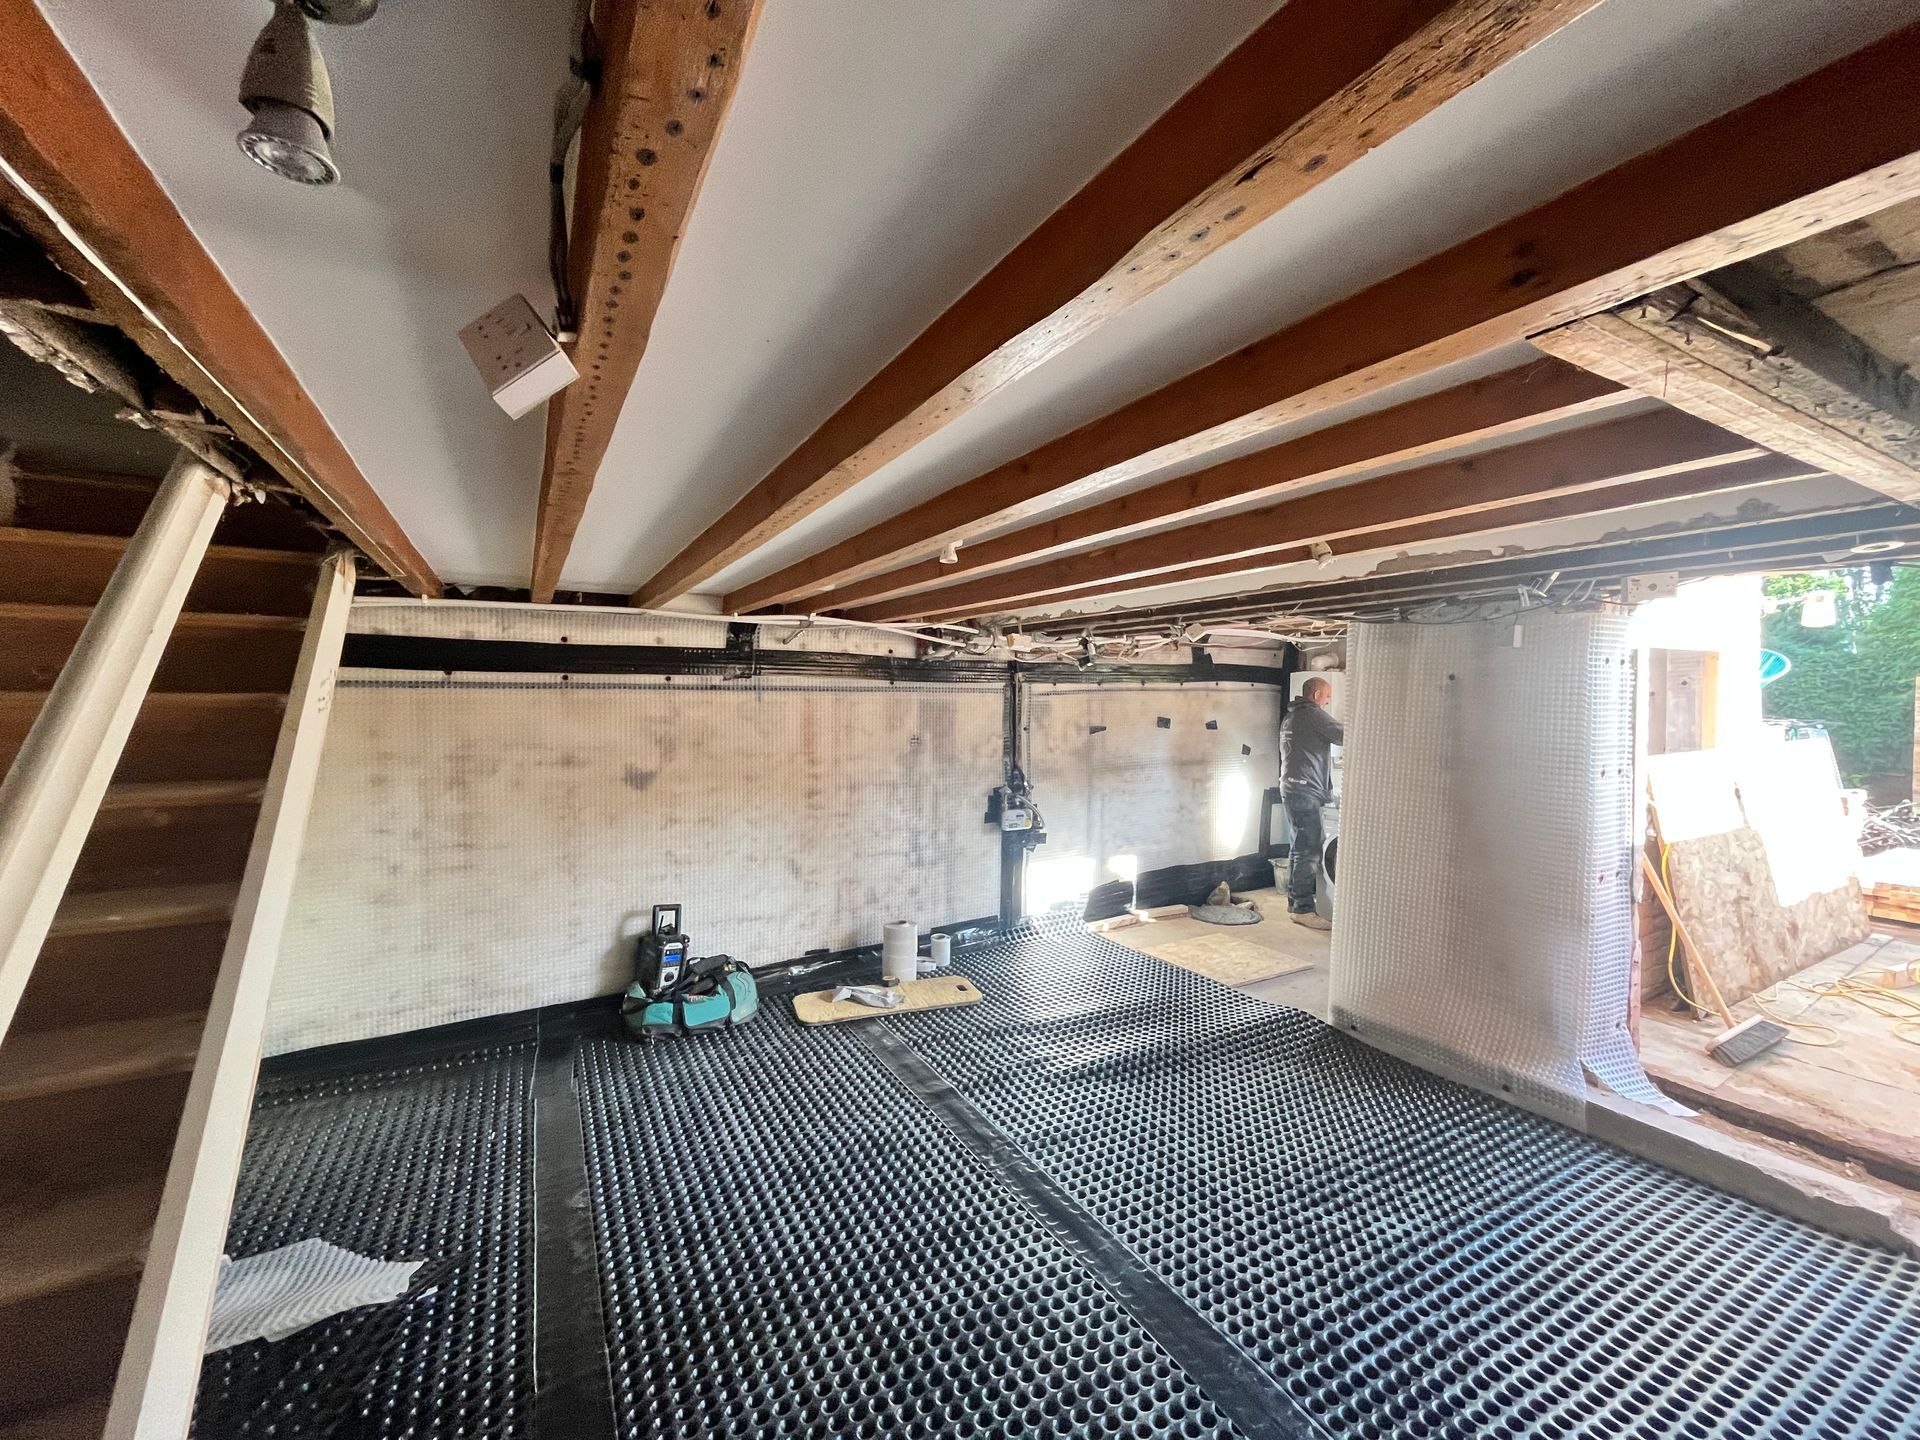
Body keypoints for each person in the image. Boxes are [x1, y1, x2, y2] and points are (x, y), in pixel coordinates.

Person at [1278, 676, 1344, 930]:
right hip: (1306, 792)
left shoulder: (1291, 717)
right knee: (1310, 851)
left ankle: (1295, 903)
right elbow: (1343, 735)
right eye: (1327, 697)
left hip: (1292, 789)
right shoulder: (1313, 714)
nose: (1327, 702)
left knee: (1298, 848)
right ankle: (1304, 909)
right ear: (1317, 696)